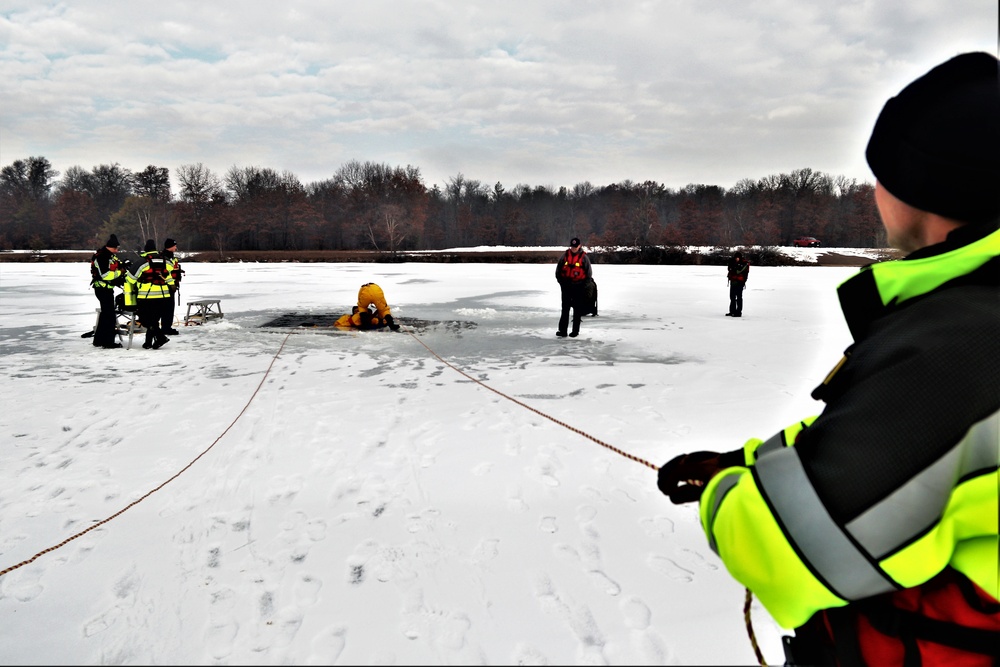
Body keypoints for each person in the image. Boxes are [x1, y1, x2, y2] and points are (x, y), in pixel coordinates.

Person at [657, 51, 999, 666]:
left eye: (882, 174)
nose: (874, 192)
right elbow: (915, 451)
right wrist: (753, 460)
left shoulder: (960, 341)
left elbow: (791, 545)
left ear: (923, 189)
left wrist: (727, 491)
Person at [124, 239, 175, 349]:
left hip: (146, 296)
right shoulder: (167, 261)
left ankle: (161, 337)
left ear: (146, 250)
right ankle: (148, 343)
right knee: (154, 320)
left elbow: (131, 279)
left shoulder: (142, 262)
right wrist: (172, 286)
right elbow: (169, 276)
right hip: (164, 296)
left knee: (146, 320)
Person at [89, 234, 127, 349]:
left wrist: (124, 266)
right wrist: (120, 273)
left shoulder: (110, 256)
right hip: (102, 288)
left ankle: (99, 340)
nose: (117, 251)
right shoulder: (102, 257)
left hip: (107, 289)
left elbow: (116, 267)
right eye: (116, 248)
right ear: (110, 247)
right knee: (109, 315)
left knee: (106, 314)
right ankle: (108, 342)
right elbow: (105, 275)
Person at [555, 237, 592, 338]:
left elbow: (588, 274)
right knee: (565, 309)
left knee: (577, 309)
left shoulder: (584, 258)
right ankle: (562, 331)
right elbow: (558, 270)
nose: (573, 248)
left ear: (579, 246)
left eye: (575, 247)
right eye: (572, 247)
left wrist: (584, 286)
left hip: (579, 286)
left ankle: (575, 331)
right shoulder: (565, 256)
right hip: (566, 286)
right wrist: (561, 282)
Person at [333, 282, 401, 331]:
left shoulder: (352, 317)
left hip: (365, 293)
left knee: (362, 308)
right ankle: (391, 325)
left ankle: (365, 325)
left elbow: (362, 308)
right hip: (377, 292)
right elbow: (383, 311)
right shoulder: (375, 287)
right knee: (384, 310)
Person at [161, 238, 182, 336]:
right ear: (170, 246)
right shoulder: (165, 257)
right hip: (167, 286)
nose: (176, 247)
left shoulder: (171, 257)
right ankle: (165, 328)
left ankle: (167, 327)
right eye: (174, 245)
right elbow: (166, 272)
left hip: (172, 285)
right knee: (167, 308)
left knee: (169, 308)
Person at [725, 251, 749, 317]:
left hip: (740, 282)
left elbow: (737, 271)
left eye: (738, 258)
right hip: (733, 282)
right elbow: (730, 269)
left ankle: (738, 312)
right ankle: (732, 311)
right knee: (732, 297)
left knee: (739, 297)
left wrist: (733, 269)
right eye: (736, 258)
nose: (737, 259)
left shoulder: (744, 264)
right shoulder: (732, 262)